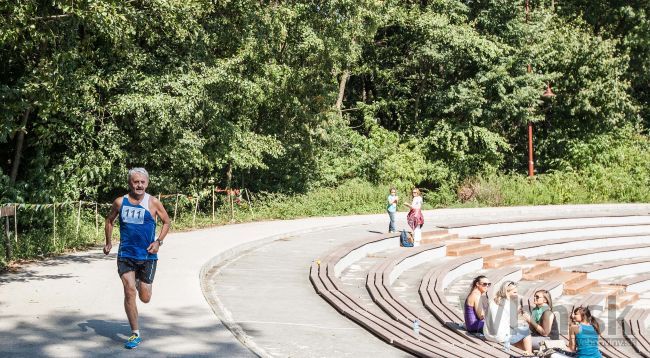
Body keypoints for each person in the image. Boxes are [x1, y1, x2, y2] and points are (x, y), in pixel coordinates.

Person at [103, 168, 171, 349]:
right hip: (126, 255)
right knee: (129, 291)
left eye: (142, 182)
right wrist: (109, 242)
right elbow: (109, 220)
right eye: (135, 182)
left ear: (147, 183)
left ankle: (141, 281)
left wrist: (159, 242)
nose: (139, 185)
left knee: (145, 297)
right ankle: (135, 333)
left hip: (148, 256)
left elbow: (167, 221)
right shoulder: (120, 202)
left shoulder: (153, 202)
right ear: (130, 183)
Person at [483, 281, 533, 355]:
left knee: (518, 332)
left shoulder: (492, 300)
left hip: (488, 335)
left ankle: (521, 352)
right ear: (507, 291)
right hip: (499, 338)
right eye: (515, 292)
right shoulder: (510, 304)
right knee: (526, 331)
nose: (517, 295)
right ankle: (530, 354)